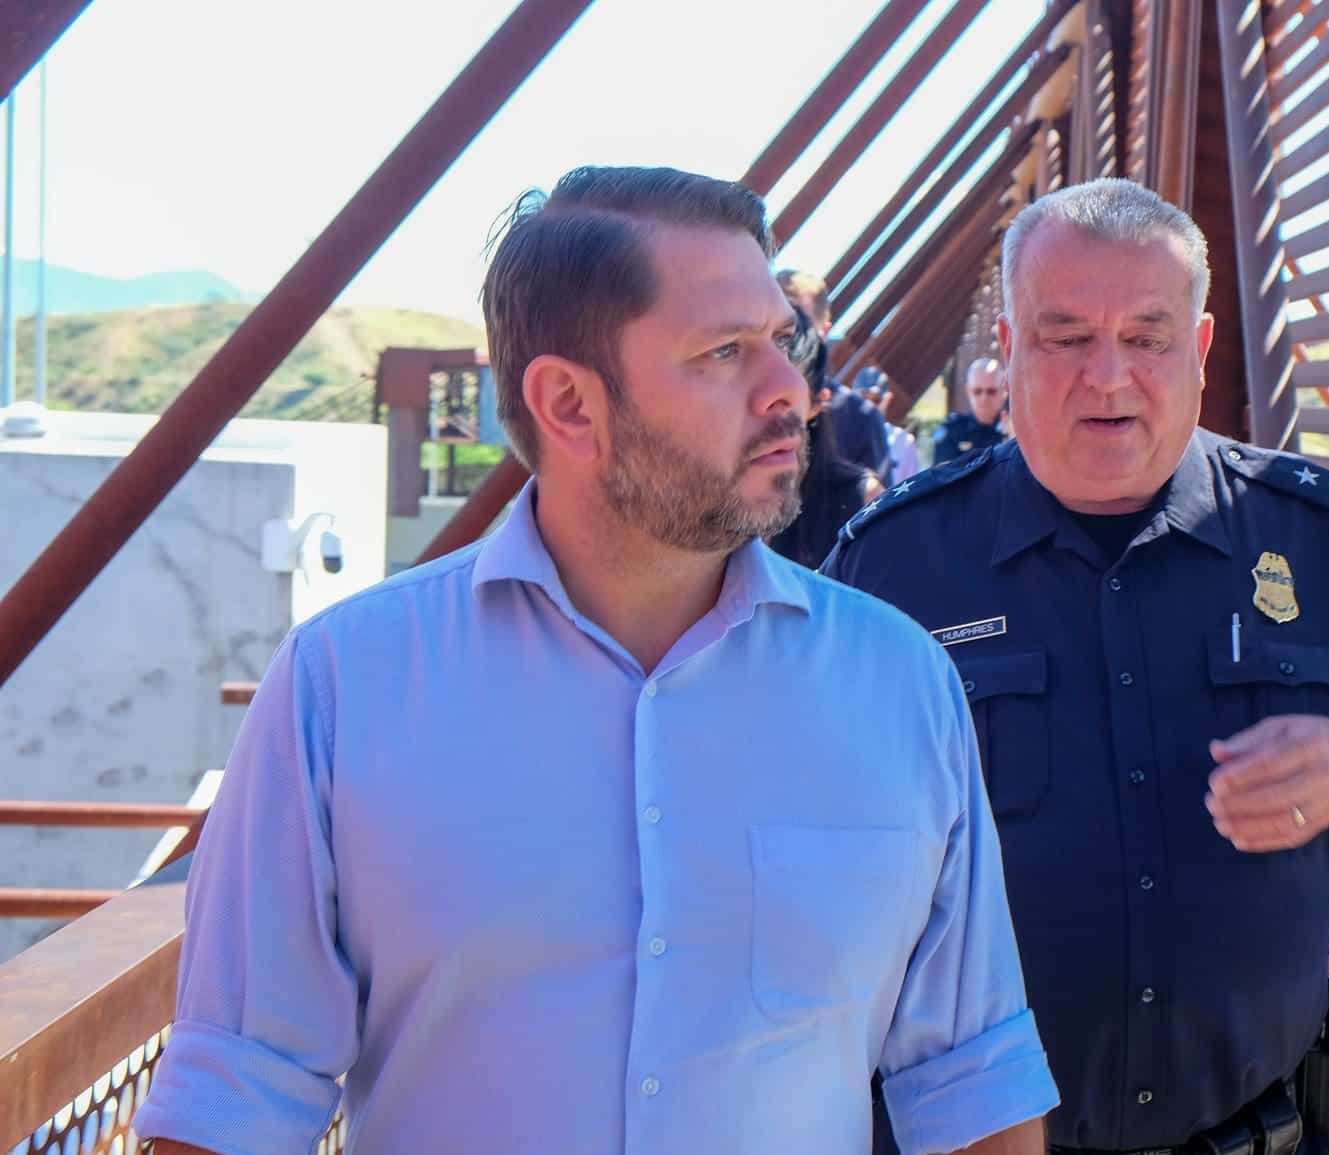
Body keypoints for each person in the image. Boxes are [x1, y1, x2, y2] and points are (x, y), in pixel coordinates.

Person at [135, 166, 1055, 1155]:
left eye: (783, 341)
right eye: (722, 352)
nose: (790, 387)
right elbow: (233, 1106)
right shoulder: (342, 691)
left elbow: (969, 1092)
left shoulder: (900, 686)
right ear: (569, 404)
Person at [824, 178, 1329, 1154]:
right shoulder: (890, 565)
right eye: (1065, 336)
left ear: (1198, 349)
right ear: (1012, 346)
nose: (1106, 377)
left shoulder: (1326, 541)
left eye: (1146, 337)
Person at [773, 309, 886, 567]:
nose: (763, 407)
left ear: (817, 403)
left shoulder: (861, 501)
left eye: (785, 398)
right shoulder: (704, 494)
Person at [931, 357, 1009, 466]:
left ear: (1004, 391)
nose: (984, 398)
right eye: (977, 391)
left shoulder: (1014, 431)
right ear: (968, 391)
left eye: (991, 391)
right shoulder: (953, 430)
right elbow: (944, 476)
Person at [856, 365, 924, 485]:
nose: (868, 406)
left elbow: (913, 490)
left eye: (876, 400)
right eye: (862, 399)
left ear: (887, 399)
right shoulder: (838, 438)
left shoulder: (904, 443)